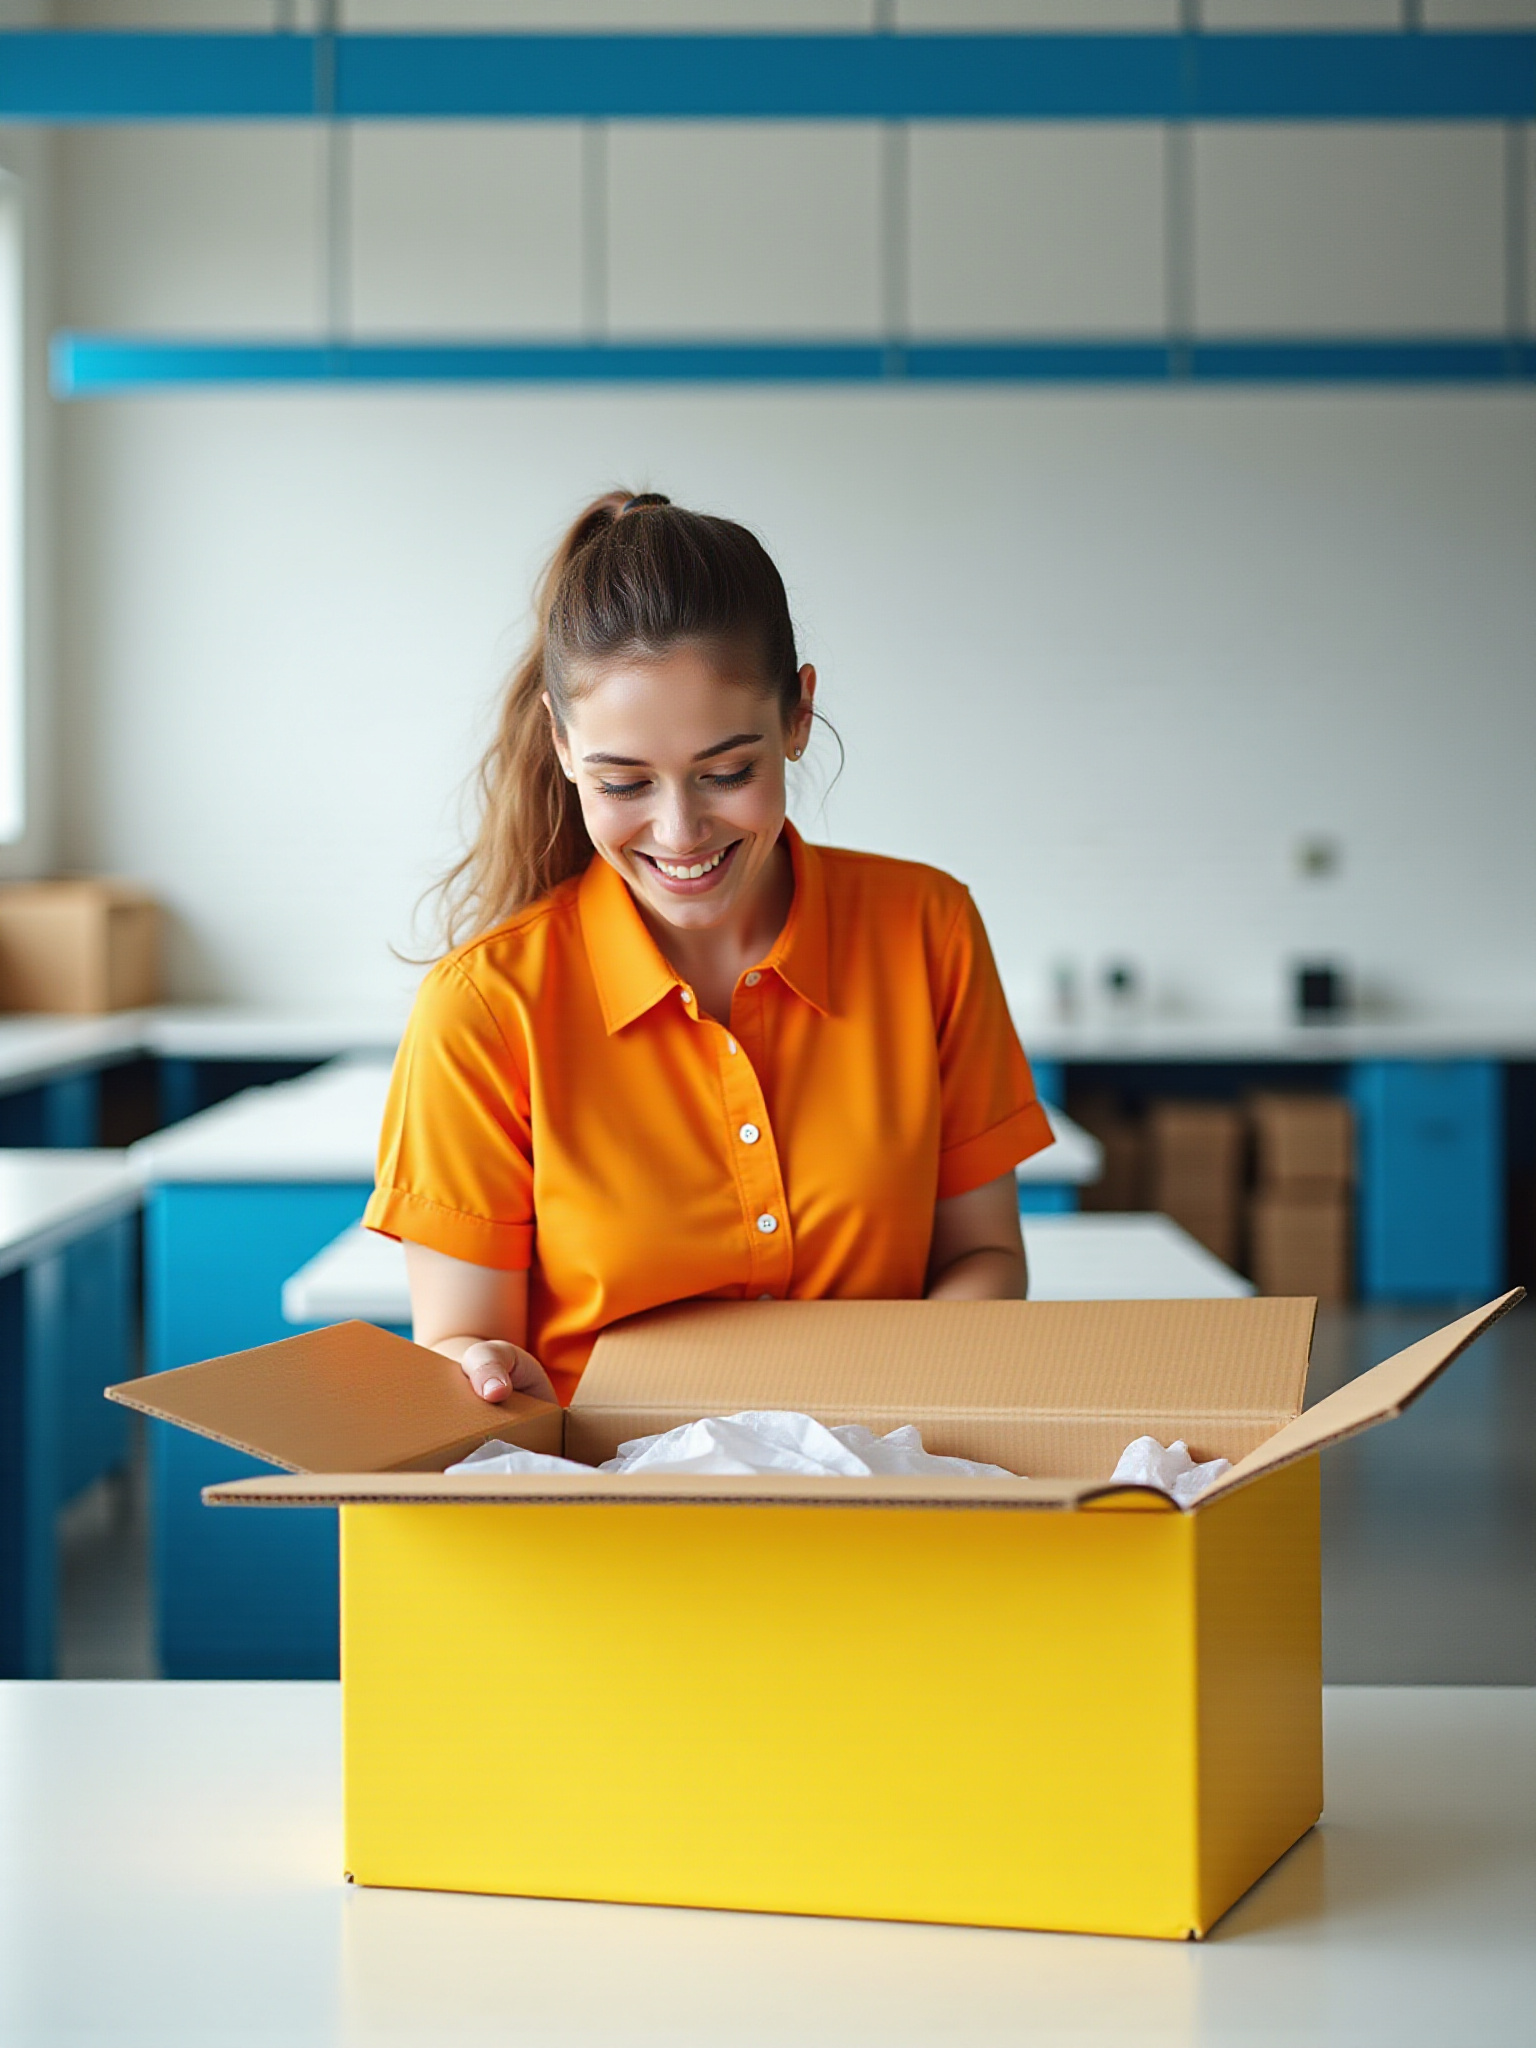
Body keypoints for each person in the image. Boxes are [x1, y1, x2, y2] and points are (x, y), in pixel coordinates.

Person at [364, 489, 1055, 1408]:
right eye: (623, 782)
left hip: (882, 1479)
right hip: (605, 1512)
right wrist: (480, 1369)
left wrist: (889, 1411)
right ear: (563, 746)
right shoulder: (486, 1008)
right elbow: (464, 1338)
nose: (681, 831)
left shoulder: (927, 929)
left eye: (728, 773)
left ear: (798, 716)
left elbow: (982, 1252)